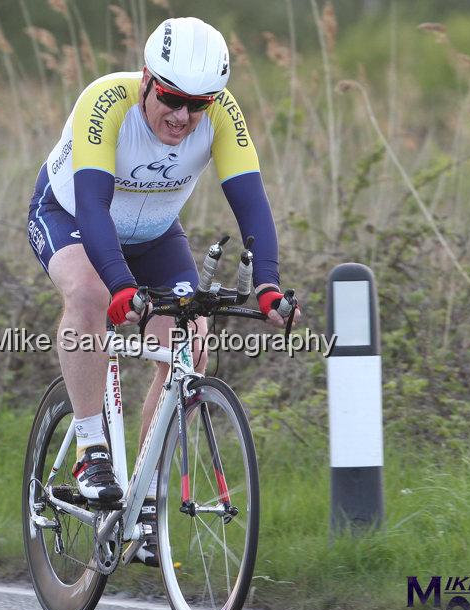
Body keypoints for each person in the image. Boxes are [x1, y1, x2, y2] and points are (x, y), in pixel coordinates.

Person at [27, 17, 298, 565]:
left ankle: (145, 499)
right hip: (73, 216)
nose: (182, 117)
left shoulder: (222, 115)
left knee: (191, 343)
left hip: (153, 234)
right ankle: (90, 446)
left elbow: (253, 205)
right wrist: (121, 288)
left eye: (196, 105)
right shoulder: (105, 101)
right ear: (148, 79)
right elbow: (96, 206)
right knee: (88, 295)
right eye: (171, 99)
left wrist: (268, 283)